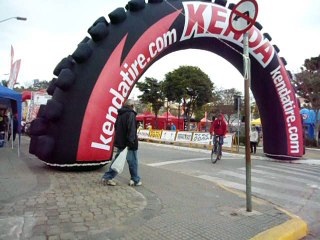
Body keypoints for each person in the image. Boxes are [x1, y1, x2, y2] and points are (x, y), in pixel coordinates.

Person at [101, 102, 142, 186]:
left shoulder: (120, 114)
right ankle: (135, 179)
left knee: (117, 160)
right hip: (129, 143)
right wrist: (131, 141)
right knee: (132, 161)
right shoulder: (131, 114)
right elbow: (131, 129)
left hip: (121, 142)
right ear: (132, 106)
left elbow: (116, 127)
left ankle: (107, 177)